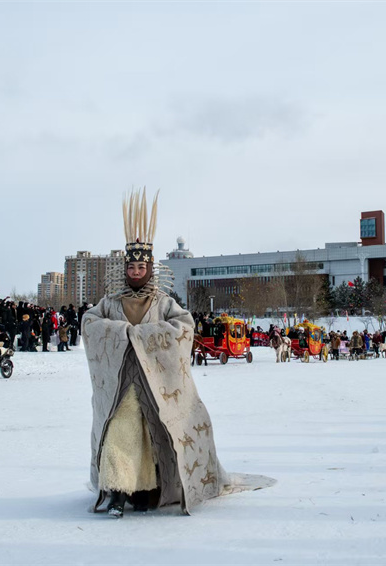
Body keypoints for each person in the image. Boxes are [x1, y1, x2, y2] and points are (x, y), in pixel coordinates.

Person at [83, 189, 271, 519]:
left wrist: (144, 336)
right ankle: (116, 492)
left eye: (142, 266)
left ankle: (144, 491)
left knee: (152, 434)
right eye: (132, 266)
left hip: (156, 383)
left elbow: (184, 327)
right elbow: (89, 323)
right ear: (125, 269)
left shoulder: (163, 302)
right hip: (121, 382)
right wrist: (122, 332)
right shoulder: (110, 303)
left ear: (150, 269)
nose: (136, 272)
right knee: (120, 431)